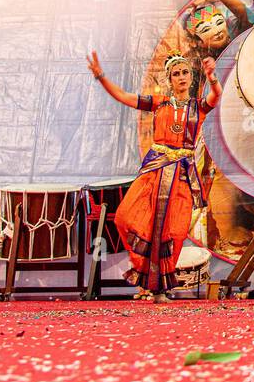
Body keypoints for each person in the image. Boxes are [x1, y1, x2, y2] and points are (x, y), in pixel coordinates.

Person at [87, 48, 221, 301]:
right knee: (126, 218)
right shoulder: (159, 103)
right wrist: (101, 76)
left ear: (191, 77)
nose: (181, 77)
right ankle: (144, 277)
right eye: (176, 74)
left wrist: (212, 77)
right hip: (155, 171)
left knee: (175, 232)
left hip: (181, 176)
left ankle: (160, 288)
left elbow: (216, 96)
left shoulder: (198, 107)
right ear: (169, 80)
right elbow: (124, 97)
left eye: (185, 72)